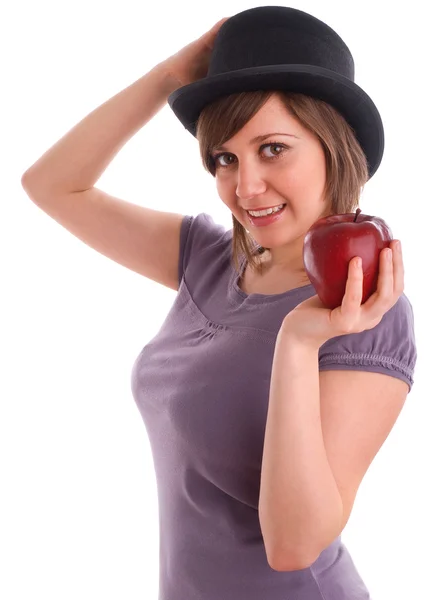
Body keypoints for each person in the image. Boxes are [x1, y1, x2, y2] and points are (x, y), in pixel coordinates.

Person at [22, 6, 417, 599]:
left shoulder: (364, 309)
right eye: (224, 158)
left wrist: (299, 340)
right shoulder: (206, 258)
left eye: (274, 149)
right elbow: (52, 185)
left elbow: (293, 546)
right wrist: (164, 79)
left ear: (335, 147)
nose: (246, 185)